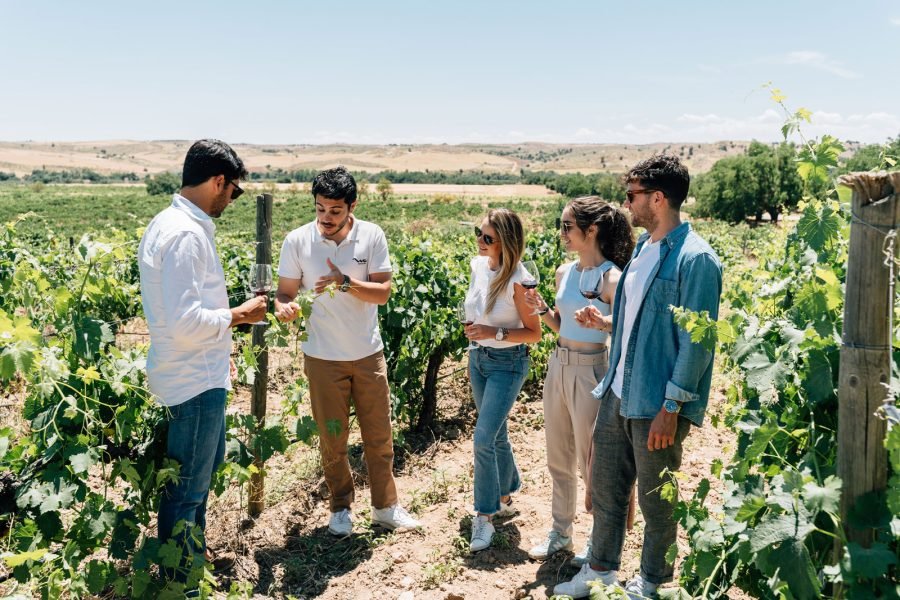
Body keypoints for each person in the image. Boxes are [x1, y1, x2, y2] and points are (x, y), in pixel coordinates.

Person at [554, 155, 723, 599]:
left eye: (633, 196)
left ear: (658, 198)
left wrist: (672, 407)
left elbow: (697, 344)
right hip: (617, 389)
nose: (627, 204)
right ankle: (600, 572)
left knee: (656, 502)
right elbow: (643, 324)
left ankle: (652, 582)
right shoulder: (645, 249)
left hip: (656, 401)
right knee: (607, 491)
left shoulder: (696, 259)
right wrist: (606, 325)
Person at [138, 139, 267, 582]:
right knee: (188, 492)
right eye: (234, 191)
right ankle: (181, 582)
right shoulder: (185, 235)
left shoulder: (169, 223)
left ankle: (191, 563)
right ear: (218, 182)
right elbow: (185, 322)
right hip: (193, 379)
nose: (232, 200)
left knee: (194, 481)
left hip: (193, 373)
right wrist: (239, 315)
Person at [274, 166, 420, 537]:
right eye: (320, 209)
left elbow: (383, 292)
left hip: (367, 353)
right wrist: (284, 307)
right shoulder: (297, 241)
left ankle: (385, 507)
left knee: (379, 435)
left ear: (352, 206)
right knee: (332, 437)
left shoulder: (372, 236)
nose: (325, 218)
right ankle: (340, 508)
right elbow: (285, 292)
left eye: (335, 211)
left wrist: (344, 283)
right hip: (322, 357)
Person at [523, 197, 635, 564]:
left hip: (592, 369)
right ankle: (560, 531)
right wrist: (542, 310)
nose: (562, 233)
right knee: (558, 453)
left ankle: (596, 539)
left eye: (568, 226)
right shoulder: (562, 272)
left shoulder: (613, 278)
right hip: (557, 365)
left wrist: (602, 323)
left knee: (593, 460)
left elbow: (627, 328)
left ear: (592, 230)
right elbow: (561, 323)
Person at [462, 208, 542, 552]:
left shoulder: (519, 282)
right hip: (478, 359)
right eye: (479, 234)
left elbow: (534, 334)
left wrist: (492, 332)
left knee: (483, 438)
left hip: (508, 364)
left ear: (505, 242)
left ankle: (485, 516)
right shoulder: (479, 266)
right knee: (496, 434)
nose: (480, 241)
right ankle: (507, 491)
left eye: (488, 238)